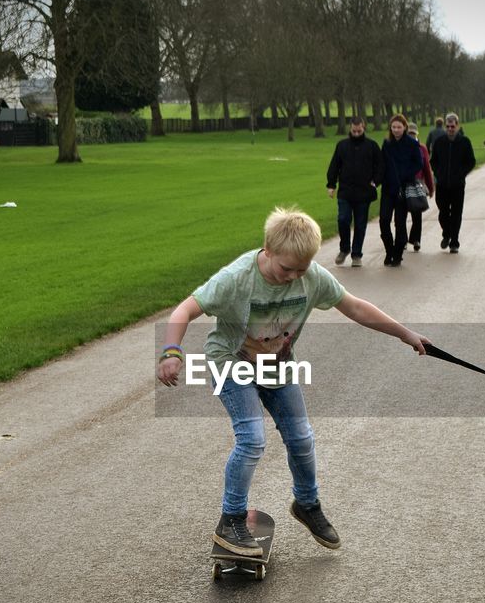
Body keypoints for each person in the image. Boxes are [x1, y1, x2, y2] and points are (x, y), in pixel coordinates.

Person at [156, 207, 429, 557]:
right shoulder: (237, 278)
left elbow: (356, 307)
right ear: (267, 251)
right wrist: (171, 351)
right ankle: (232, 518)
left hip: (277, 367)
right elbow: (184, 310)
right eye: (287, 268)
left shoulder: (311, 276)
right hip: (232, 361)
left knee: (301, 438)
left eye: (301, 269)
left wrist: (405, 334)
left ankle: (307, 504)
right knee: (252, 439)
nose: (293, 277)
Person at [325, 117, 382, 267]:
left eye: (359, 130)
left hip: (364, 192)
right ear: (350, 128)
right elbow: (334, 166)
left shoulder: (372, 146)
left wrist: (375, 182)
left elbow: (380, 166)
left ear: (364, 128)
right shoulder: (342, 145)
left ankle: (356, 254)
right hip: (345, 191)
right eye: (354, 130)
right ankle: (344, 249)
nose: (356, 133)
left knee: (360, 224)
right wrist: (331, 185)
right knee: (343, 219)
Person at [378, 113, 424, 267]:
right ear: (390, 128)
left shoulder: (411, 144)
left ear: (404, 127)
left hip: (403, 188)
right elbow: (381, 165)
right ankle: (389, 251)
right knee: (384, 220)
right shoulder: (387, 144)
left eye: (399, 127)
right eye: (394, 127)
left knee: (400, 222)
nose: (396, 130)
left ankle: (397, 253)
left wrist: (405, 175)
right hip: (388, 188)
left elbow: (419, 163)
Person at [429, 112, 476, 253]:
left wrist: (461, 174)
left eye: (453, 126)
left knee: (456, 213)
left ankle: (454, 241)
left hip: (457, 185)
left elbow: (471, 162)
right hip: (442, 185)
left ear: (457, 126)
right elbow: (433, 161)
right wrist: (438, 173)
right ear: (445, 126)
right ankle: (447, 233)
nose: (450, 129)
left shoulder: (464, 142)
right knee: (443, 212)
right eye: (448, 126)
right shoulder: (439, 142)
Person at [406, 122, 435, 251]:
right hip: (404, 183)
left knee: (417, 212)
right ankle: (402, 239)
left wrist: (431, 187)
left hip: (418, 183)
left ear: (417, 134)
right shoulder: (402, 146)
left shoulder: (422, 148)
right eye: (409, 133)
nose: (411, 136)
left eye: (413, 133)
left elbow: (427, 169)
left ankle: (415, 239)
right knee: (401, 214)